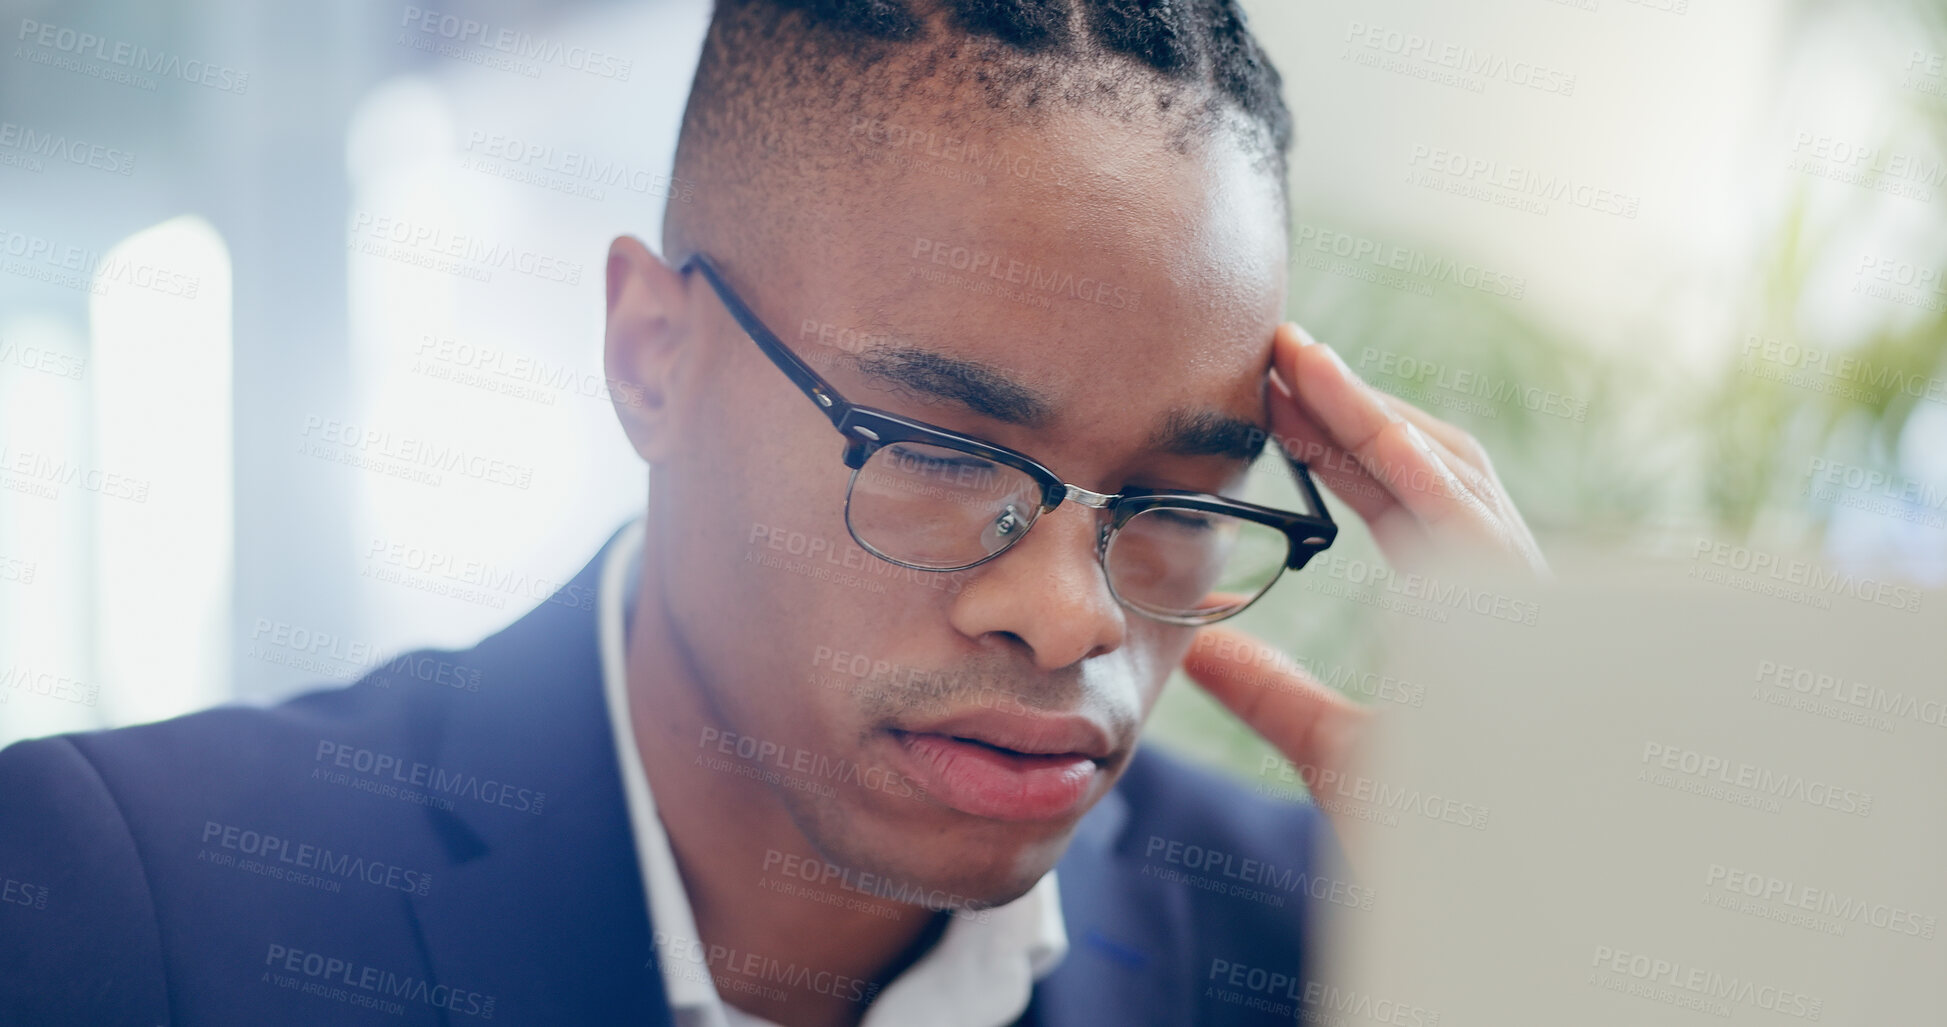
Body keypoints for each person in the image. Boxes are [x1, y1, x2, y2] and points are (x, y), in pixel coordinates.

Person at [0, 1, 1542, 1024]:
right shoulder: (137, 908)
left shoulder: (1341, 948)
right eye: (942, 447)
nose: (1076, 616)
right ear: (651, 357)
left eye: (1180, 498)